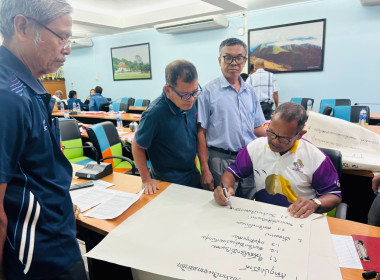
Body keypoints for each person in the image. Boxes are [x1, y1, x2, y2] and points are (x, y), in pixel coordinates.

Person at [0, 0, 87, 279]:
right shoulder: (7, 98)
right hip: (38, 260)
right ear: (22, 26)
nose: (68, 48)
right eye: (61, 36)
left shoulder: (27, 88)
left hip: (56, 238)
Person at [214, 102, 342, 218]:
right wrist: (225, 189)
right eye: (271, 133)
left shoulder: (315, 157)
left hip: (299, 219)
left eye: (283, 138)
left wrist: (314, 204)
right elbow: (232, 172)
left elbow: (334, 195)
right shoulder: (256, 147)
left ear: (300, 135)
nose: (274, 141)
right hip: (263, 215)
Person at [197, 38, 266, 200]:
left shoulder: (250, 92)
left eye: (239, 58)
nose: (233, 62)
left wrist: (282, 135)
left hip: (249, 158)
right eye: (228, 57)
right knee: (223, 205)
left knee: (249, 204)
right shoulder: (207, 91)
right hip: (219, 161)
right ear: (220, 60)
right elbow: (200, 132)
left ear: (245, 61)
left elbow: (257, 128)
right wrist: (205, 169)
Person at [132, 60, 202, 195]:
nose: (191, 99)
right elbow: (137, 145)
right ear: (168, 90)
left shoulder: (191, 100)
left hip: (192, 174)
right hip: (168, 180)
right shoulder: (154, 114)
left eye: (195, 92)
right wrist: (146, 180)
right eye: (185, 95)